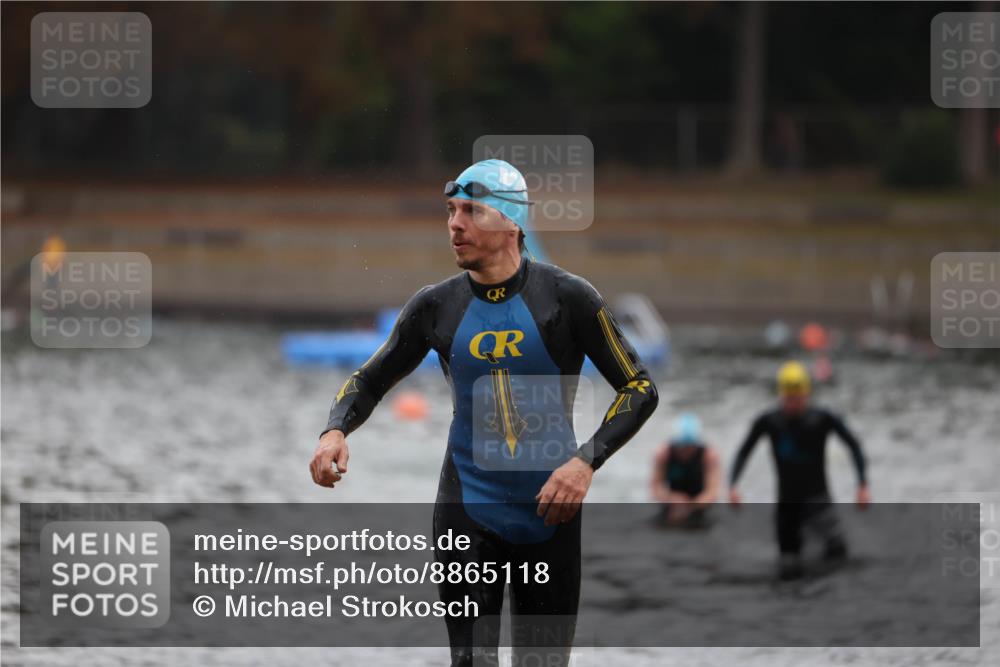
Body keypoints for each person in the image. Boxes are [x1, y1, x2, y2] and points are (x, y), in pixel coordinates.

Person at [309, 158, 659, 666]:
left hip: (550, 512)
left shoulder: (568, 299)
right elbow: (368, 379)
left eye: (471, 210)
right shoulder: (435, 307)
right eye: (451, 211)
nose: (455, 223)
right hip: (468, 508)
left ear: (512, 221)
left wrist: (586, 462)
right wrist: (333, 432)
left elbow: (639, 387)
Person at [729, 361, 870, 580]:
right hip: (787, 506)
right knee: (788, 568)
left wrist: (862, 485)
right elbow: (743, 452)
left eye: (798, 398)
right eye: (788, 398)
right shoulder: (768, 421)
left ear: (807, 394)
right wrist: (733, 485)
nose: (793, 403)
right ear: (781, 395)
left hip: (819, 502)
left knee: (838, 560)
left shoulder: (824, 418)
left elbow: (854, 446)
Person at [650, 413, 721, 527]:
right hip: (673, 502)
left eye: (689, 447)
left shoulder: (709, 455)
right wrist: (671, 499)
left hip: (700, 505)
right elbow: (656, 488)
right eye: (681, 447)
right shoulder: (664, 454)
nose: (685, 452)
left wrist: (690, 506)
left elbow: (712, 493)